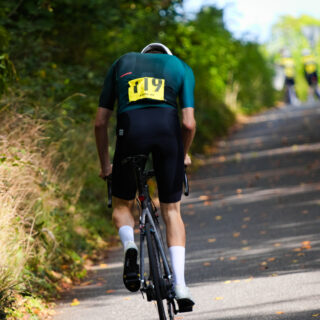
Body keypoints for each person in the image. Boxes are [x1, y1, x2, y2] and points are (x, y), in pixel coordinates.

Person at [95, 43, 196, 309]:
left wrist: (106, 165)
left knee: (121, 205)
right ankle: (181, 286)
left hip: (130, 132)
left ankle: (129, 244)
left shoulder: (121, 63)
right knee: (172, 211)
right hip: (167, 131)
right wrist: (183, 154)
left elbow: (99, 122)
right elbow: (188, 123)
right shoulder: (180, 67)